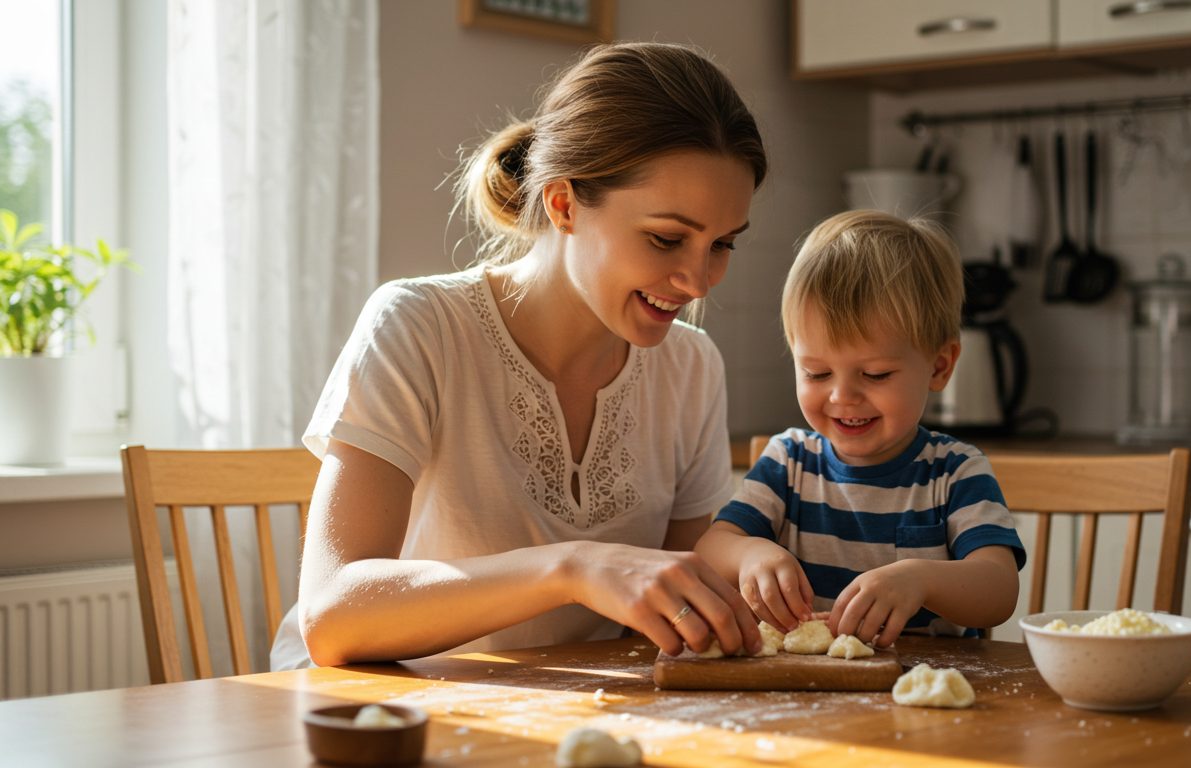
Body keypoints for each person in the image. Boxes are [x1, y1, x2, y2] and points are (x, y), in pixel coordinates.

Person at [271, 42, 768, 669]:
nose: (698, 282)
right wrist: (573, 566)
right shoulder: (419, 327)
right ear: (562, 204)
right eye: (666, 239)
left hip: (575, 714)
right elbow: (333, 618)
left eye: (722, 244)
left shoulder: (691, 368)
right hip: (378, 715)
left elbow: (684, 609)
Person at [694, 210, 1025, 649]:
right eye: (816, 373)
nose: (842, 397)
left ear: (939, 366)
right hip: (806, 691)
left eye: (874, 375)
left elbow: (998, 591)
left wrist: (920, 579)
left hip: (923, 688)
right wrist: (749, 553)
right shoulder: (788, 462)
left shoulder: (955, 472)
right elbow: (709, 551)